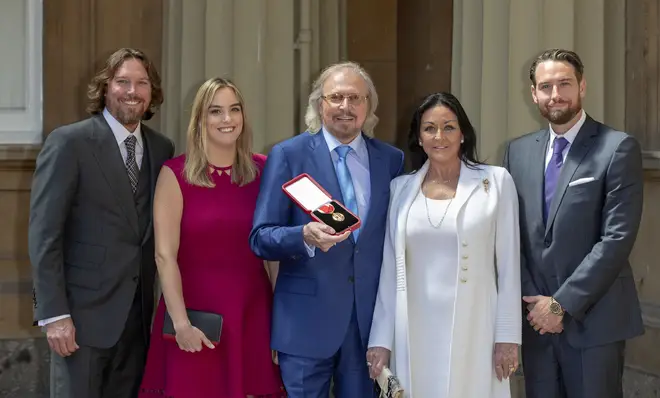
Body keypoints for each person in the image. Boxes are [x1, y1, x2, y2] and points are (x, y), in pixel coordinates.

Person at [249, 62, 404, 397]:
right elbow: (260, 237)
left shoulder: (392, 161)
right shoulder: (289, 155)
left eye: (354, 98)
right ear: (320, 104)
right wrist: (303, 235)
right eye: (336, 97)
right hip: (305, 324)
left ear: (368, 106)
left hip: (366, 326)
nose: (345, 107)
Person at [28, 48, 175, 398]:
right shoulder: (69, 143)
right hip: (80, 322)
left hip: (138, 322)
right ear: (105, 88)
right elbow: (44, 234)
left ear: (151, 92)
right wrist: (53, 315)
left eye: (141, 83)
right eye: (122, 81)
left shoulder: (162, 149)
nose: (132, 91)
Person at [503, 48, 644, 398]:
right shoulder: (517, 152)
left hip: (594, 322)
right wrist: (537, 307)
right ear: (533, 93)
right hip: (537, 323)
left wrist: (560, 303)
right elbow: (510, 235)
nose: (555, 95)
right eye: (546, 86)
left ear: (582, 86)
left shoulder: (617, 148)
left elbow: (616, 239)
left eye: (564, 84)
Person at [367, 92, 522, 397]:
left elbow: (509, 266)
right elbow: (389, 271)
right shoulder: (400, 189)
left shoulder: (496, 182)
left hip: (477, 323)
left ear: (463, 134)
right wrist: (380, 340)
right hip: (414, 326)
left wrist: (507, 336)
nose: (440, 136)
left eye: (449, 127)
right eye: (429, 128)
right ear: (419, 138)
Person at [138, 77, 285, 398]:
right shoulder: (174, 174)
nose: (227, 119)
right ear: (200, 119)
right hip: (194, 316)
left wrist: (282, 326)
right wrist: (180, 324)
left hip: (252, 314)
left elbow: (273, 254)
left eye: (234, 109)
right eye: (215, 111)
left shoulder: (265, 171)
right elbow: (164, 256)